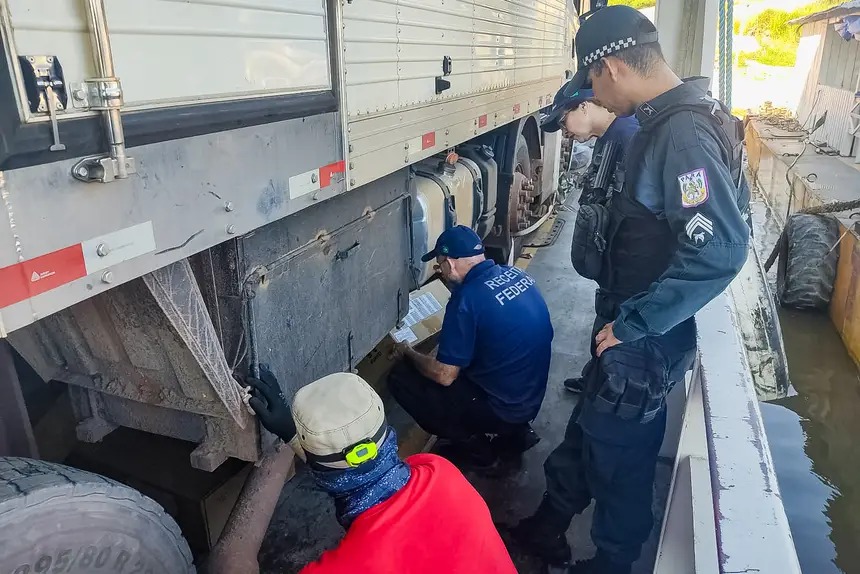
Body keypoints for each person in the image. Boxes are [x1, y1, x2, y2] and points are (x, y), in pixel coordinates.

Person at [511, 6, 750, 574]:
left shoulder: (683, 136)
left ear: (611, 68)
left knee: (620, 457)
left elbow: (719, 249)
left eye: (592, 81)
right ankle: (546, 527)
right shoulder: (664, 119)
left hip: (641, 336)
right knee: (585, 433)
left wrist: (635, 325)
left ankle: (613, 564)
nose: (595, 96)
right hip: (625, 326)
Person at [246, 367, 518, 574]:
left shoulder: (351, 565)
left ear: (323, 472)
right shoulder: (439, 470)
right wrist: (297, 437)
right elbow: (365, 475)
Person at [388, 225, 554, 469]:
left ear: (451, 263)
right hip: (529, 397)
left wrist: (408, 353)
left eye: (440, 264)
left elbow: (445, 376)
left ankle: (477, 450)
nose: (441, 271)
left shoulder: (466, 299)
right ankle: (516, 432)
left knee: (401, 378)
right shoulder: (516, 274)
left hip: (503, 408)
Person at [542, 86, 640, 394]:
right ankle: (594, 376)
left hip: (628, 264)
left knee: (612, 323)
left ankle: (602, 385)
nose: (564, 132)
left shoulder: (630, 137)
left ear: (584, 106)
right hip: (614, 262)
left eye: (563, 122)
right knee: (604, 316)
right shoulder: (612, 136)